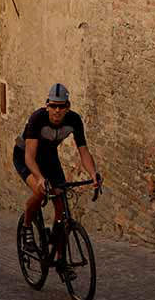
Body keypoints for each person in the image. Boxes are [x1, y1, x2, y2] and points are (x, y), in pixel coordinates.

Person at [12, 83, 101, 269]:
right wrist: (40, 178)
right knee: (40, 190)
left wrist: (93, 174)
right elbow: (29, 156)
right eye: (53, 105)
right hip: (25, 156)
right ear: (47, 105)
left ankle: (61, 259)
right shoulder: (38, 118)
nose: (57, 110)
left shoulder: (74, 120)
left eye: (61, 106)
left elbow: (83, 151)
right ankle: (27, 227)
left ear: (68, 107)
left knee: (62, 207)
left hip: (49, 158)